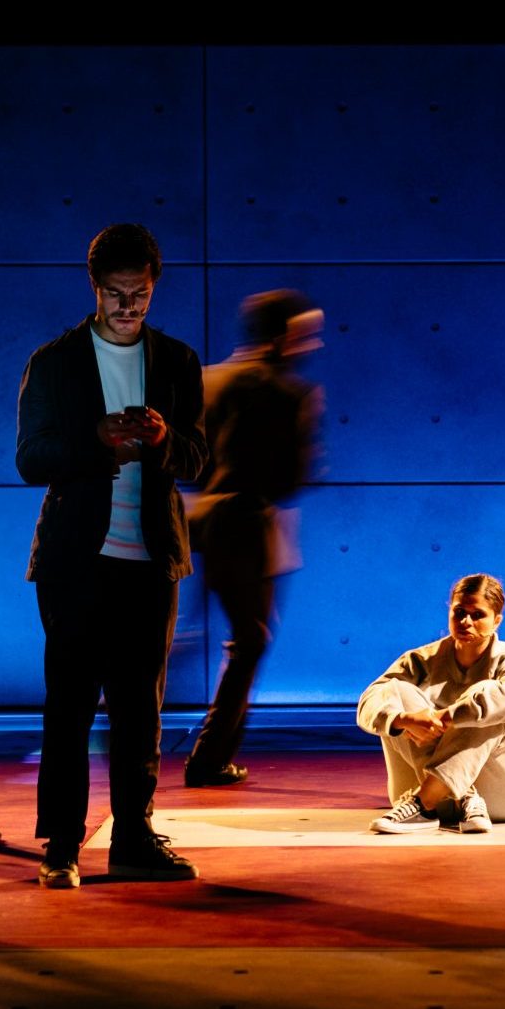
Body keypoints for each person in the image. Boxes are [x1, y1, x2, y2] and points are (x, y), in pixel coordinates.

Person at [15, 223, 209, 889]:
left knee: (140, 708)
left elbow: (200, 460)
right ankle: (61, 844)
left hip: (151, 559)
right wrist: (96, 441)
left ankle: (133, 837)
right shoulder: (56, 362)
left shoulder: (178, 363)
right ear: (94, 288)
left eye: (139, 294)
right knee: (67, 704)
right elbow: (29, 459)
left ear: (154, 287)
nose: (127, 307)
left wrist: (160, 441)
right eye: (116, 294)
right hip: (74, 560)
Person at [182, 289, 325, 788]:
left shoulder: (204, 381)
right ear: (284, 335)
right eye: (307, 333)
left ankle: (152, 735)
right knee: (249, 641)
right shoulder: (290, 393)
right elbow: (292, 478)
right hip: (253, 526)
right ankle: (210, 755)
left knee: (184, 634)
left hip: (198, 521)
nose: (313, 344)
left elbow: (185, 460)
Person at [357, 574, 505, 834]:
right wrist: (406, 720)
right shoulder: (420, 659)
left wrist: (447, 717)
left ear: (496, 621)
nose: (465, 622)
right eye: (459, 612)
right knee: (394, 691)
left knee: (489, 696)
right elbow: (368, 702)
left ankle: (425, 803)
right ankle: (457, 793)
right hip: (430, 793)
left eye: (477, 614)